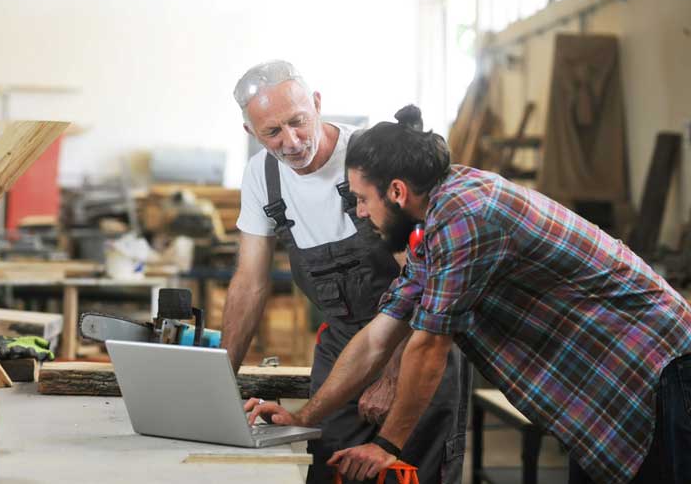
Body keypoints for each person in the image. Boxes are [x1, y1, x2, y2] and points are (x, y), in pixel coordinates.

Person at [245, 104, 691, 484]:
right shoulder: (434, 223)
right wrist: (304, 419)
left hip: (656, 369)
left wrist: (386, 445)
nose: (359, 212)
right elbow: (379, 337)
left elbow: (429, 344)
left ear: (397, 191)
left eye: (362, 199)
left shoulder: (466, 215)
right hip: (604, 384)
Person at [222, 62, 471, 483]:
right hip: (342, 347)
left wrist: (392, 373)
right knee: (329, 469)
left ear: (317, 104)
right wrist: (219, 387)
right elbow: (249, 284)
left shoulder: (372, 157)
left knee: (409, 472)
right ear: (251, 133)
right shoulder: (262, 177)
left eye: (298, 122)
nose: (292, 141)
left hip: (416, 340)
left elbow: (425, 284)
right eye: (273, 133)